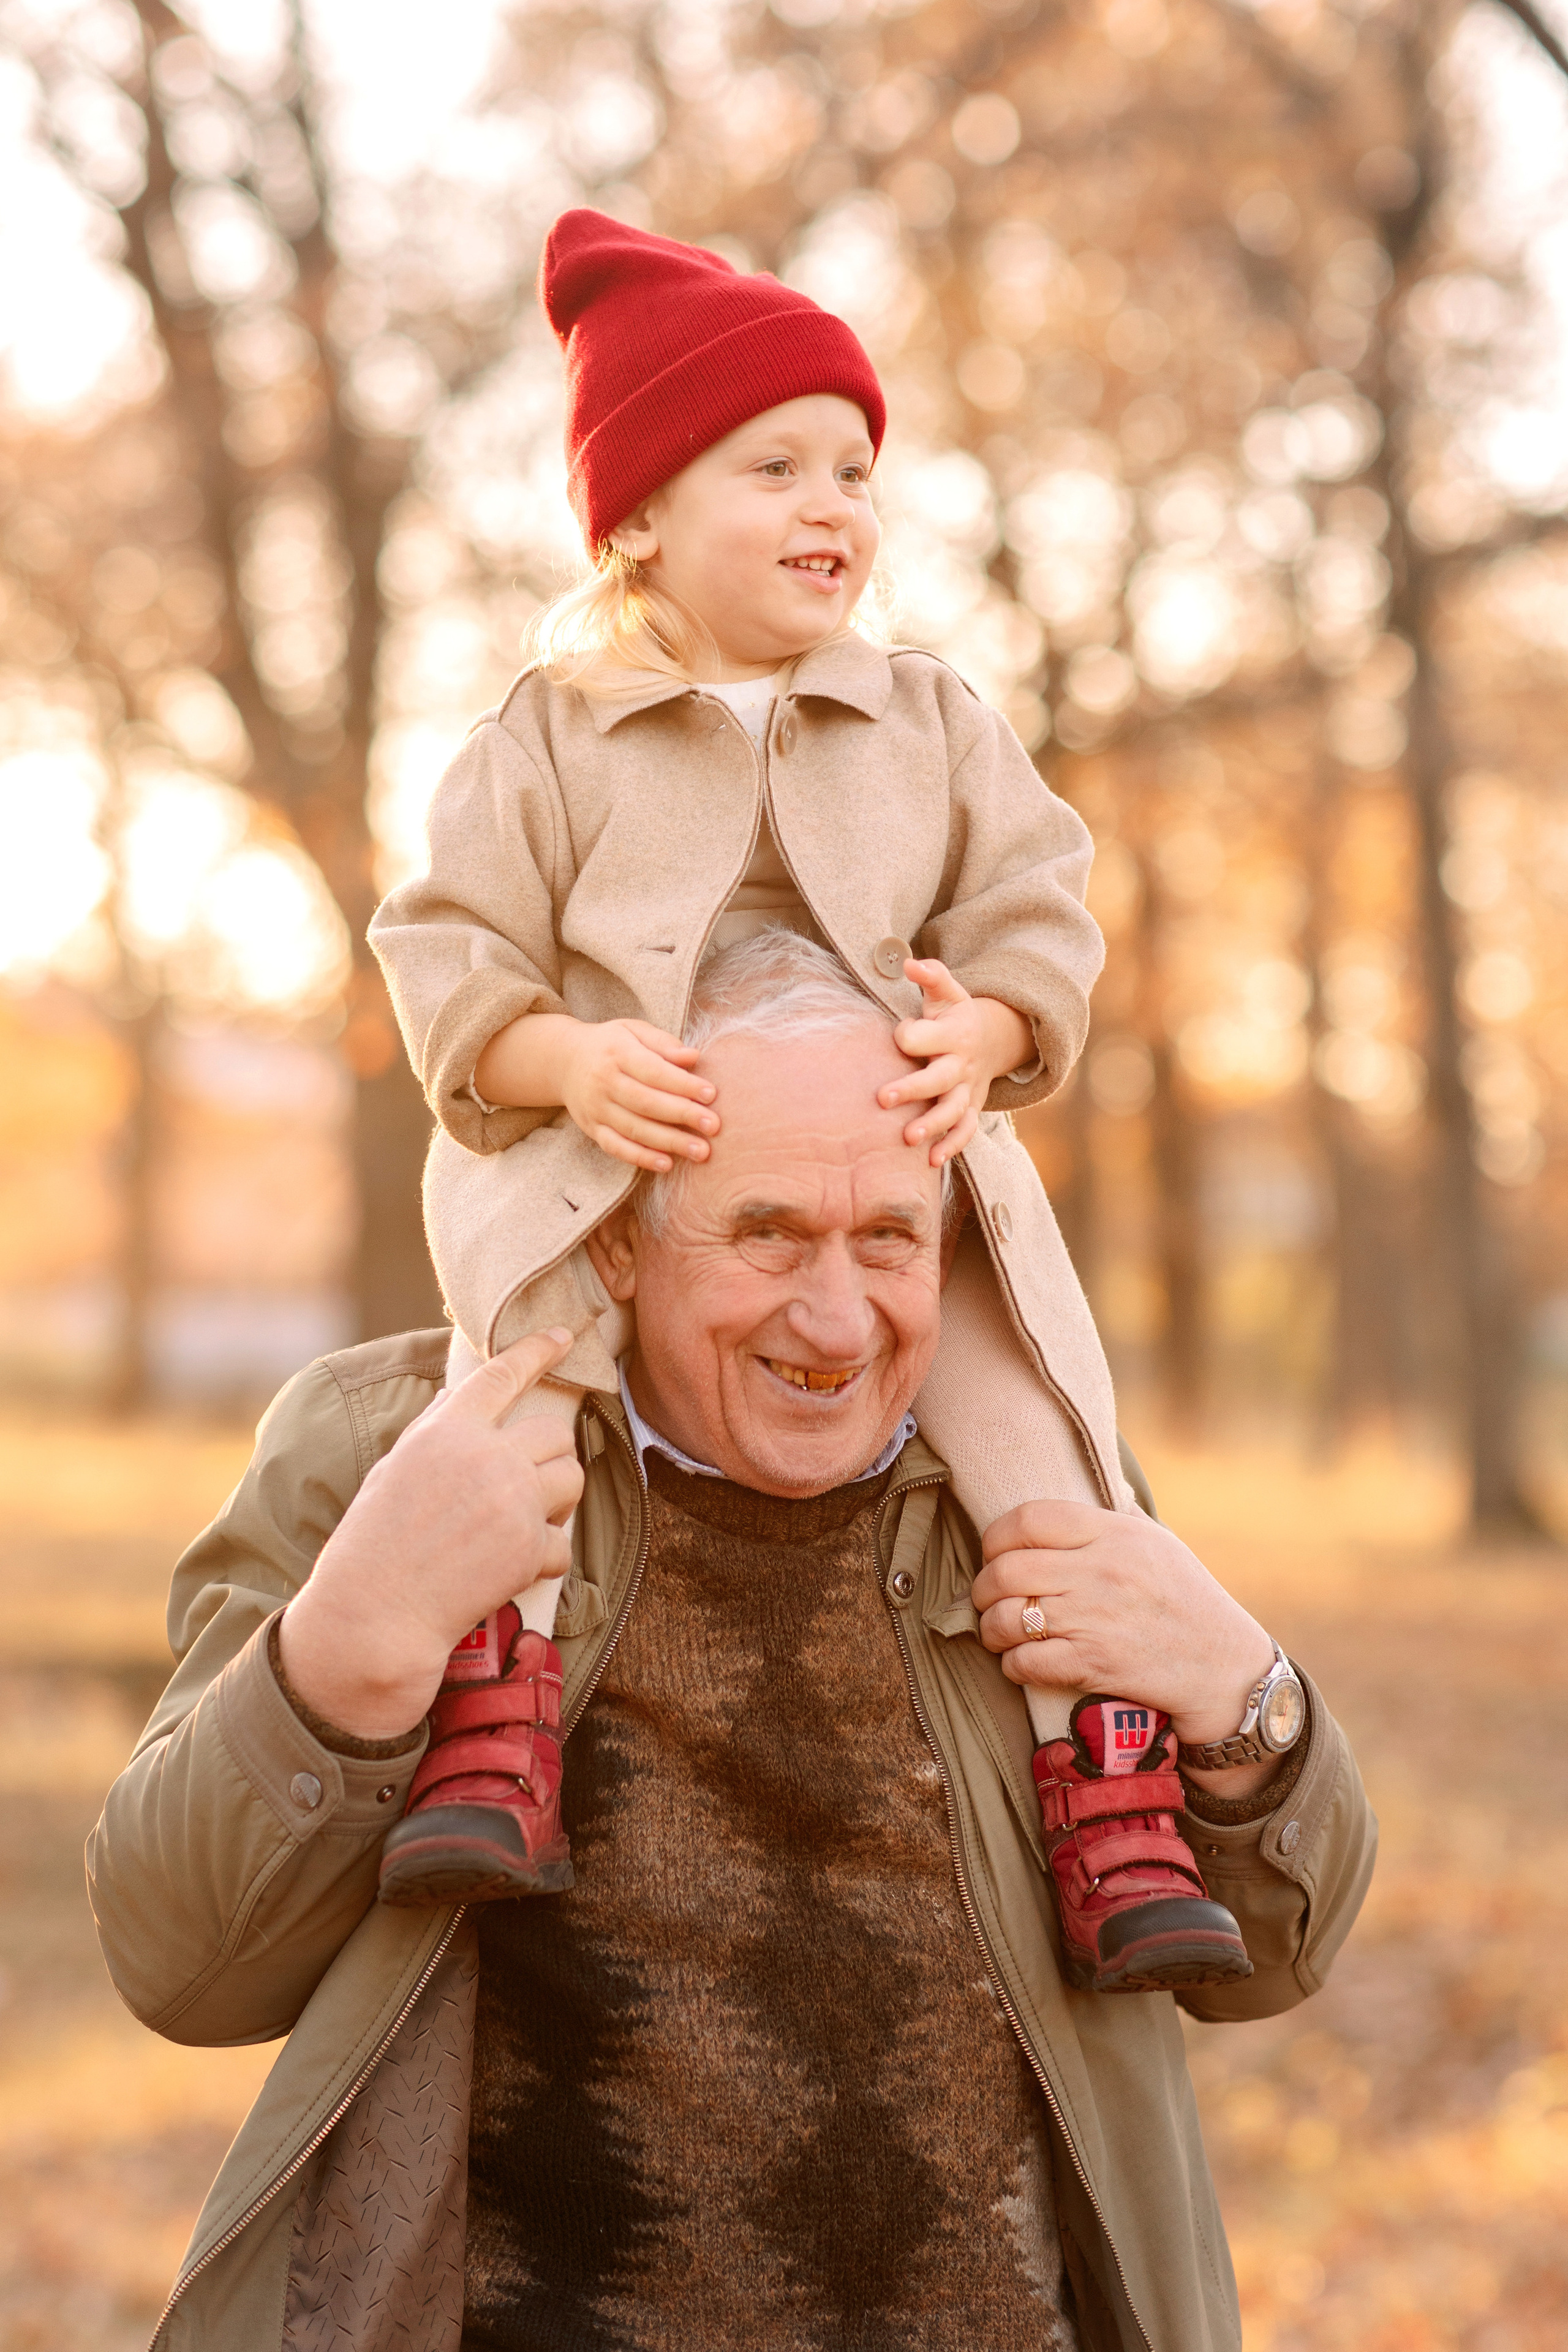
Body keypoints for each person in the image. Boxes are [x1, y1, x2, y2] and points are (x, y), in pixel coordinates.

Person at [86, 944, 1377, 2352]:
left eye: (889, 1237)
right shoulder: (392, 1450)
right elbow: (178, 1963)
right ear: (619, 1234)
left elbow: (1261, 1962)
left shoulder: (1041, 1481)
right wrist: (348, 1644)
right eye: (765, 1232)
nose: (835, 1319)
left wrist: (1245, 1700)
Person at [368, 210, 1242, 1990]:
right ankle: (494, 1713)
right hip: (609, 1171)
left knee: (1041, 1443)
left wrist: (988, 1034)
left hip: (892, 1177)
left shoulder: (923, 716)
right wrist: (563, 1062)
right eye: (773, 465)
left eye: (854, 467)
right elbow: (446, 947)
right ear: (640, 518)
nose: (833, 502)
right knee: (513, 1407)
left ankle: (1110, 1785)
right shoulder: (549, 735)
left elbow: (1034, 909)